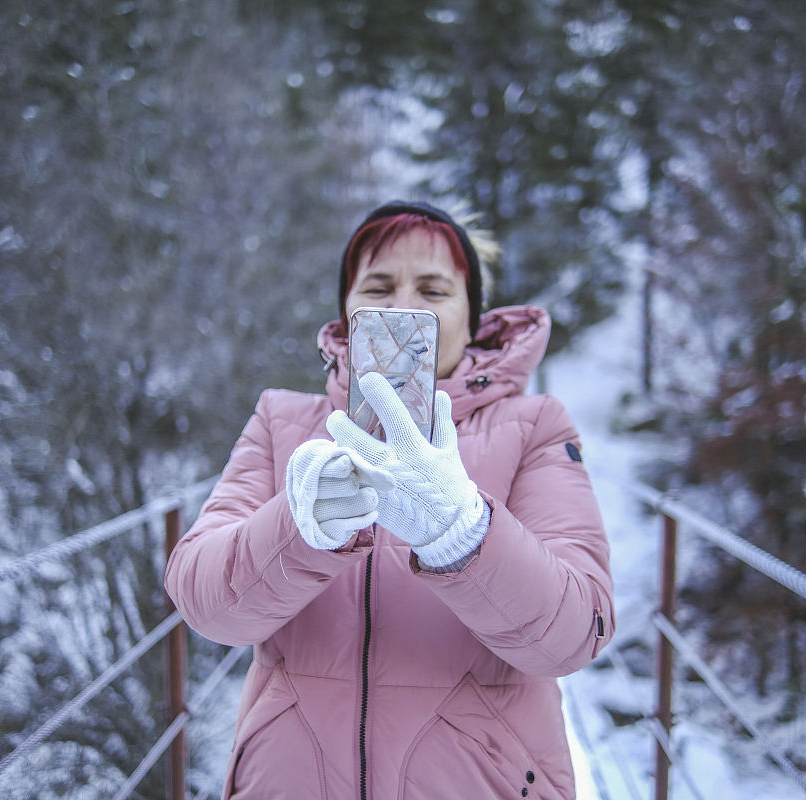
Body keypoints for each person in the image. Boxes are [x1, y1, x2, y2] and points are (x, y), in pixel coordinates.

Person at [165, 201, 615, 799]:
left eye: (434, 288)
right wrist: (297, 529)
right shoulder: (282, 420)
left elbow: (573, 632)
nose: (404, 305)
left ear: (472, 317)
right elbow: (206, 604)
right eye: (378, 286)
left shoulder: (535, 425)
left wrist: (464, 533)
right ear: (347, 313)